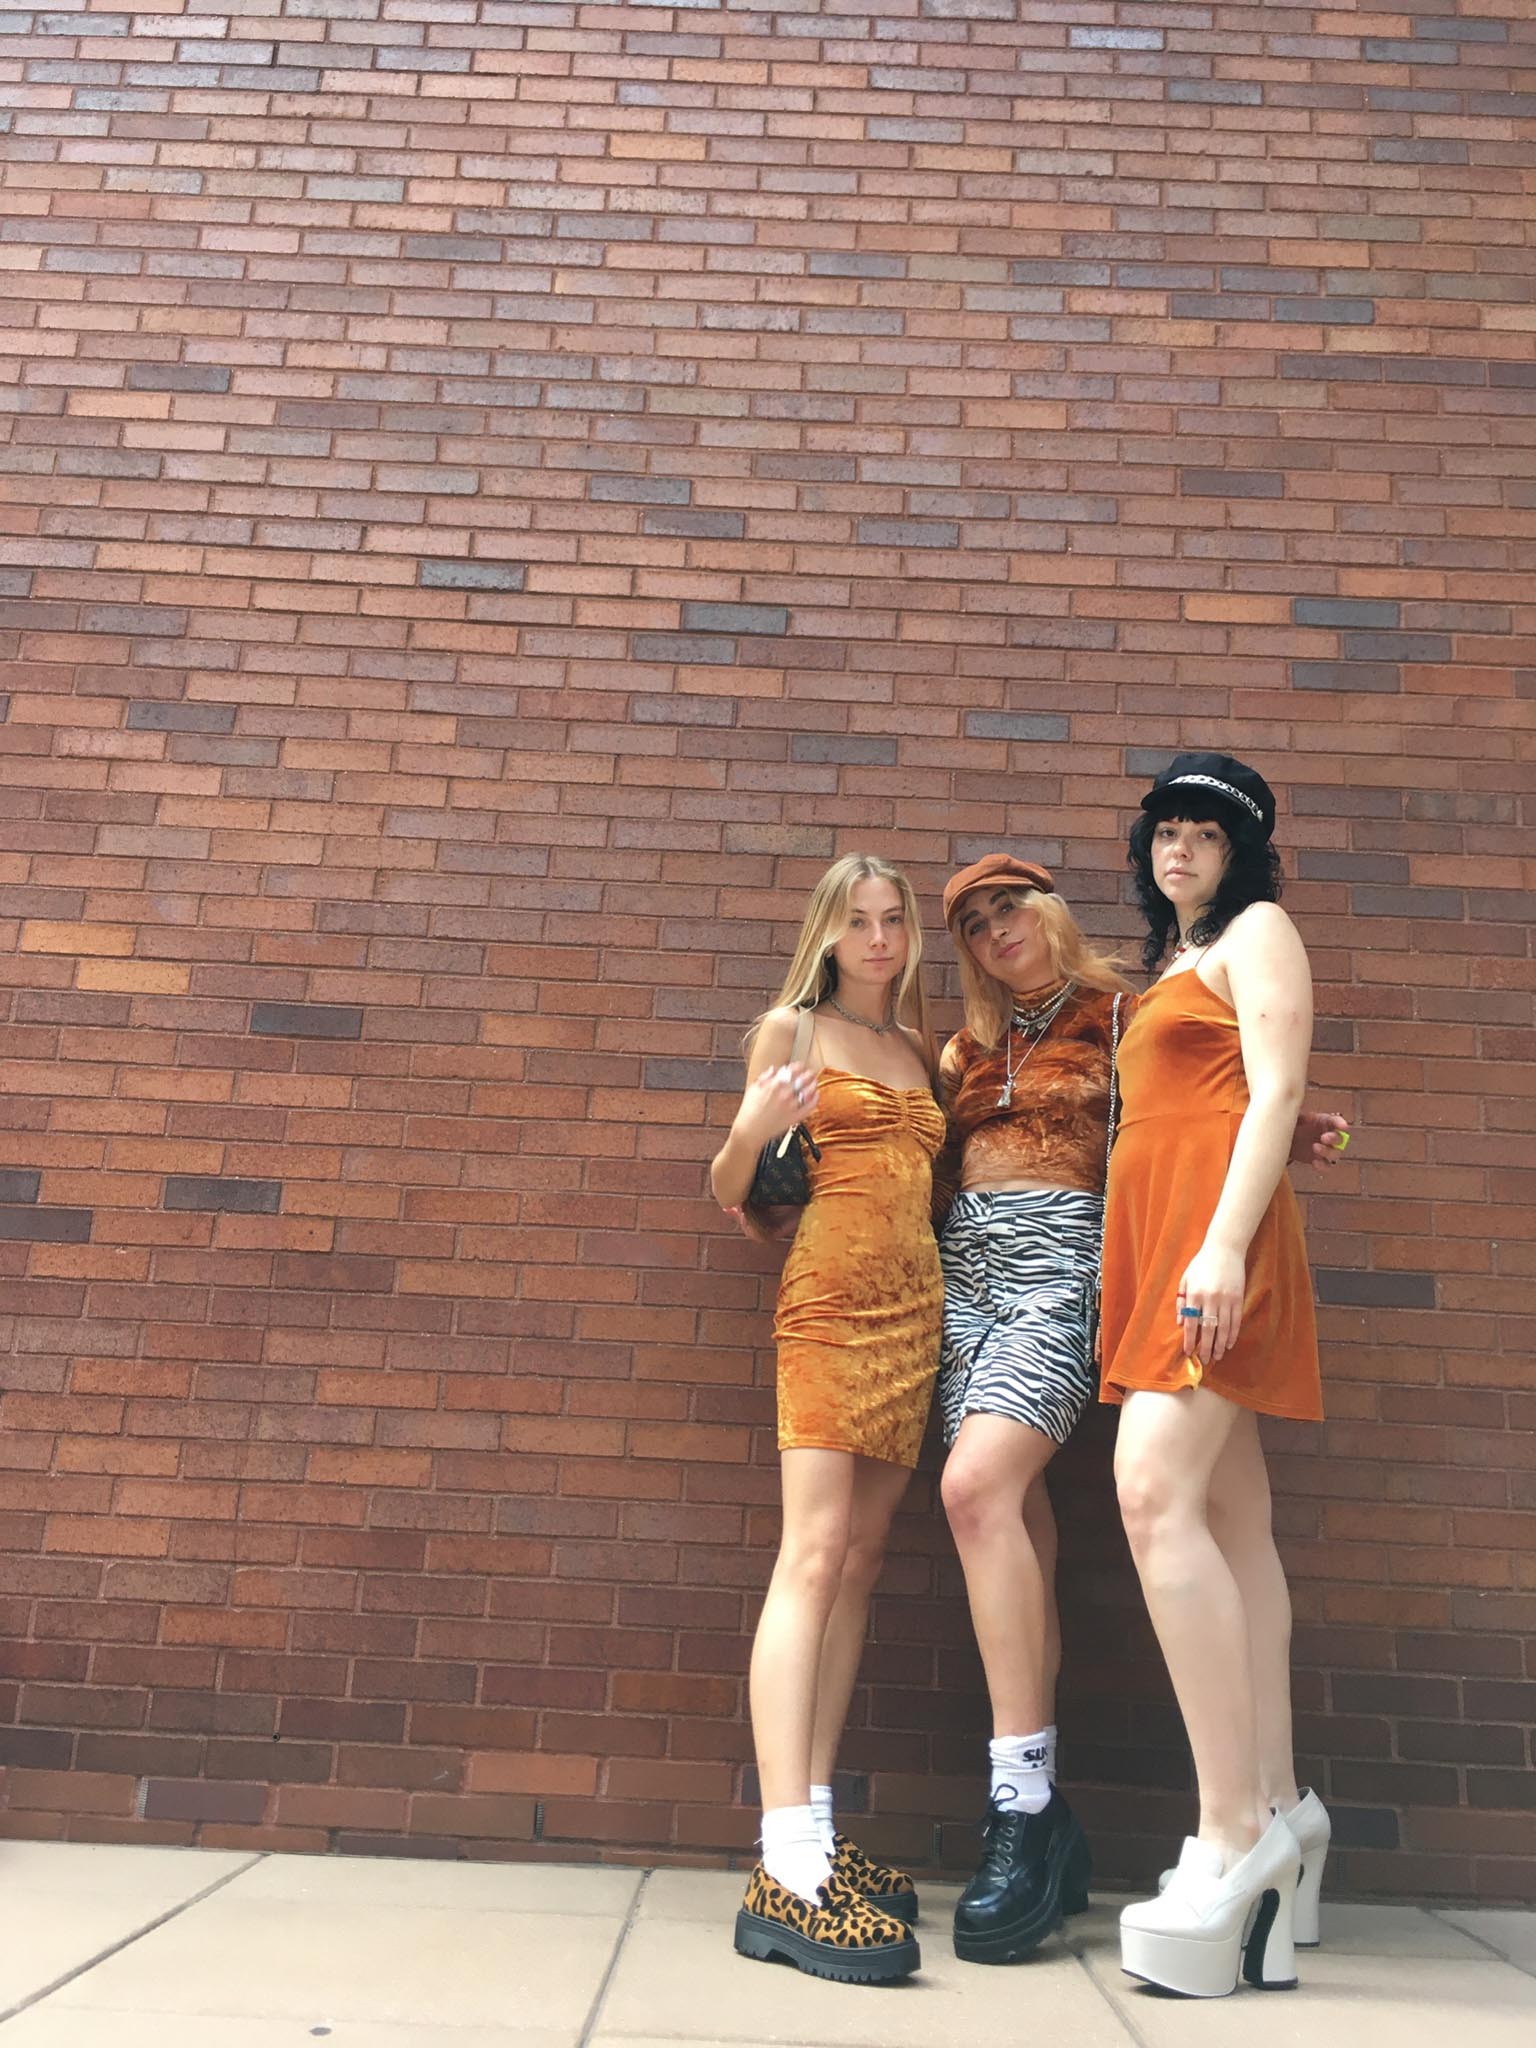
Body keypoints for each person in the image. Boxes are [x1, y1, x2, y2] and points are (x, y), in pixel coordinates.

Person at [933, 851, 1347, 1969]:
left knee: (994, 1486)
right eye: (971, 922)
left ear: (1053, 906)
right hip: (967, 1277)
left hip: (1088, 1263)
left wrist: (1277, 1132)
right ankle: (1275, 1803)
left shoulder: (1127, 1005)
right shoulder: (964, 1046)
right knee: (1227, 1514)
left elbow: (1212, 1081)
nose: (994, 930)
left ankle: (1084, 1812)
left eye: (1009, 904)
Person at [1103, 752, 1333, 1999]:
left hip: (1214, 1252)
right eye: (1165, 831)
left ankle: (1232, 1834)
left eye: (1203, 832)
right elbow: (1235, 1090)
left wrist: (1227, 1239)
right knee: (1235, 1522)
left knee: (1152, 1494)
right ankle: (1285, 1811)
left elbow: (1277, 1076)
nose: (1179, 849)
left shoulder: (1261, 931)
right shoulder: (1172, 968)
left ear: (1241, 849)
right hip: (1173, 1247)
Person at [709, 852, 943, 1985]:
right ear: (828, 932)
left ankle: (820, 1827)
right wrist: (752, 1126)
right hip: (830, 1307)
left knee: (859, 1559)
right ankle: (786, 1853)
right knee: (809, 1552)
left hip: (915, 1317)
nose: (883, 938)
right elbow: (728, 1184)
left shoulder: (913, 1046)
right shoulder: (789, 1031)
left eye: (895, 919)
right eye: (861, 922)